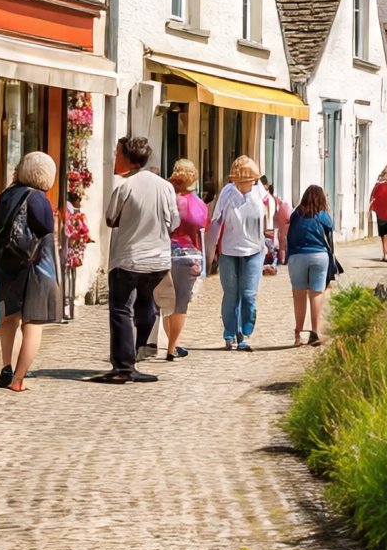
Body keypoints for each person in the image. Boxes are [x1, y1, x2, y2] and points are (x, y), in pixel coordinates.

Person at [101, 137, 179, 383]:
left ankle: (124, 366)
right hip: (158, 258)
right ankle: (140, 349)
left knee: (121, 310)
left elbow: (111, 219)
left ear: (126, 157)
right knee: (146, 302)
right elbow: (174, 222)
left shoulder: (126, 186)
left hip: (129, 257)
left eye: (117, 153)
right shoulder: (165, 186)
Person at [0, 151, 61, 392]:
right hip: (34, 266)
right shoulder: (38, 198)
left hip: (5, 263)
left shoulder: (6, 195)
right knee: (32, 322)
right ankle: (18, 379)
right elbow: (46, 229)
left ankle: (5, 368)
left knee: (8, 316)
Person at [210, 156, 269, 350]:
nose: (243, 184)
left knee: (249, 294)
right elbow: (216, 220)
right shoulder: (227, 193)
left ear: (254, 179)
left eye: (247, 180)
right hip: (229, 250)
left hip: (254, 250)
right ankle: (229, 334)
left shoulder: (262, 195)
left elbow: (269, 222)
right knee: (231, 294)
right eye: (239, 180)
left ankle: (244, 333)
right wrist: (211, 250)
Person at [161, 159, 207, 362]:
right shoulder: (198, 204)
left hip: (166, 253)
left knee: (166, 303)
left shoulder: (168, 199)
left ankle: (171, 344)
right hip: (190, 256)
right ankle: (172, 347)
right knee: (181, 304)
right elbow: (202, 228)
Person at [286, 185, 335, 346]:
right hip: (318, 256)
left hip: (297, 256)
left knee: (299, 294)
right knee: (316, 293)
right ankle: (315, 332)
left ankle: (298, 334)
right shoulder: (322, 215)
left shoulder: (296, 214)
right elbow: (330, 228)